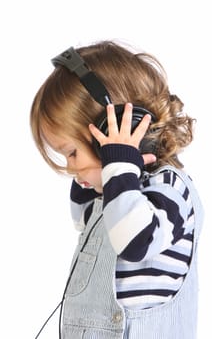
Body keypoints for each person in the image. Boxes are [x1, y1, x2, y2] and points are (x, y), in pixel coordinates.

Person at [30, 40, 203, 339]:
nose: (71, 168)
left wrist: (118, 163)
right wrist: (106, 173)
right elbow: (84, 221)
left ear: (110, 135)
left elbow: (136, 243)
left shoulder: (170, 189)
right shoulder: (112, 193)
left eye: (72, 153)